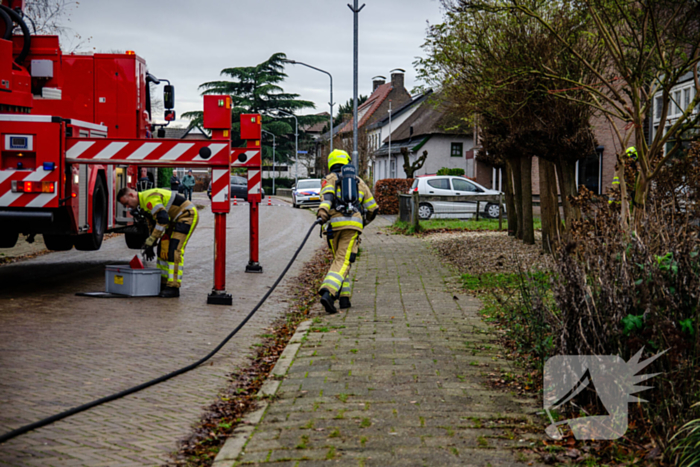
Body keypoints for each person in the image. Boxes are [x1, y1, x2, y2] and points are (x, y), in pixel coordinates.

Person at [316, 149, 379, 314]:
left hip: (332, 228)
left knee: (339, 260)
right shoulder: (359, 181)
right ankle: (328, 292)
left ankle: (344, 298)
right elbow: (373, 208)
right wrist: (362, 223)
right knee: (344, 261)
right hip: (352, 227)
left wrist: (323, 213)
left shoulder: (328, 179)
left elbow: (327, 198)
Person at [117, 186, 198, 298]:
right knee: (163, 249)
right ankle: (164, 283)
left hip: (186, 215)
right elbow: (153, 224)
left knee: (174, 249)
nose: (127, 207)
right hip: (173, 220)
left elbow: (162, 219)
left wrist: (152, 239)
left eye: (127, 203)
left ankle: (173, 287)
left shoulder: (150, 199)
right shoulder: (143, 205)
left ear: (131, 195)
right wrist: (151, 244)